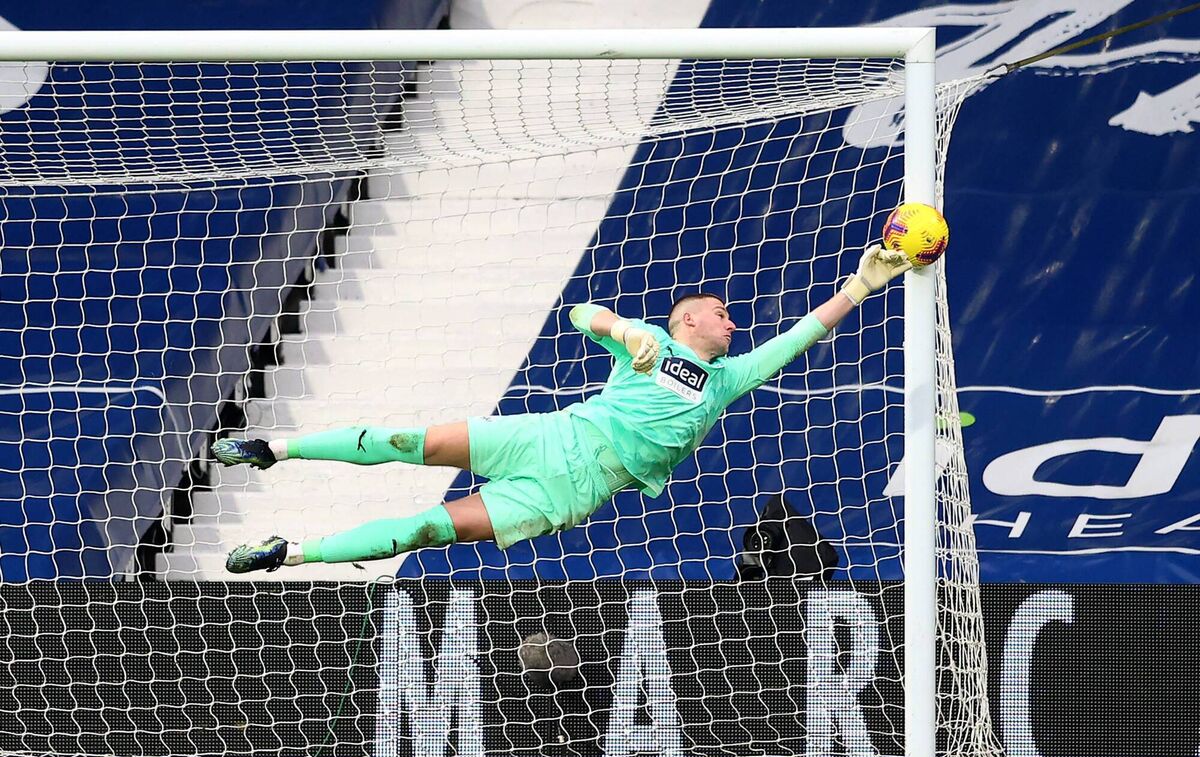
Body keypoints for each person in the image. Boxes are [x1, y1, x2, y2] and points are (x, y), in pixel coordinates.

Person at [216, 244, 912, 573]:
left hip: (571, 488)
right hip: (547, 437)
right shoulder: (643, 342)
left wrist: (861, 282)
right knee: (409, 441)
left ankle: (289, 552)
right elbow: (581, 311)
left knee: (425, 530)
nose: (733, 325)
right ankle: (274, 450)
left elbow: (800, 336)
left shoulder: (725, 378)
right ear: (687, 323)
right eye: (722, 315)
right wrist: (620, 330)